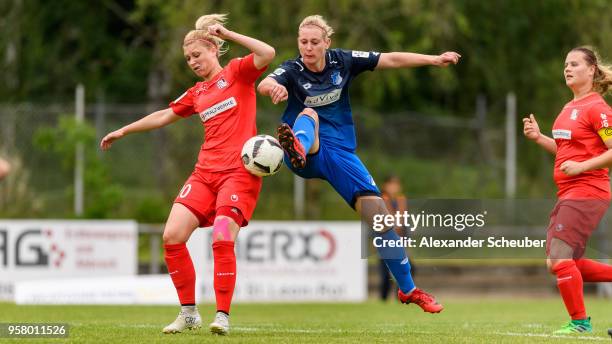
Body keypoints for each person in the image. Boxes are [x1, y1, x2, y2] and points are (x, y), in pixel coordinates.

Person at [258, 14, 460, 312]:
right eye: (303, 42)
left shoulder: (343, 61)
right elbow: (265, 82)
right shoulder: (292, 69)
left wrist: (433, 60)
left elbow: (390, 59)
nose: (308, 48)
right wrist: (272, 88)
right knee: (309, 115)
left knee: (381, 221)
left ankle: (409, 290)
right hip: (304, 154)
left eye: (315, 42)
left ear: (327, 42)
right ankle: (297, 146)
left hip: (340, 154)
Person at [100, 14, 274, 335]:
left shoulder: (237, 73)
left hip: (238, 173)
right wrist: (124, 130)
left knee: (222, 237)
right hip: (204, 173)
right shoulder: (197, 92)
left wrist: (228, 33)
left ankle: (222, 315)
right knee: (172, 237)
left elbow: (267, 53)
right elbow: (165, 114)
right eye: (188, 58)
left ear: (213, 49)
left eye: (197, 55)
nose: (192, 62)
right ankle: (189, 313)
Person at [523, 46, 612, 334]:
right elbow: (565, 153)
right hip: (570, 191)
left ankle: (580, 323)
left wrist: (583, 168)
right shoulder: (569, 107)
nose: (567, 68)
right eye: (565, 64)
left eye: (574, 64)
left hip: (588, 190)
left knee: (559, 259)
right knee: (562, 262)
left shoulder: (598, 108)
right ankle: (580, 320)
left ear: (591, 70)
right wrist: (539, 138)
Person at [379, 175, 409, 301]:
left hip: (400, 241)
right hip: (385, 241)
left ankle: (401, 297)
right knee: (386, 273)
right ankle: (383, 299)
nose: (393, 187)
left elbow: (406, 223)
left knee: (405, 269)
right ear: (385, 186)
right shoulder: (380, 200)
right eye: (390, 184)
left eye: (395, 184)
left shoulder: (401, 200)